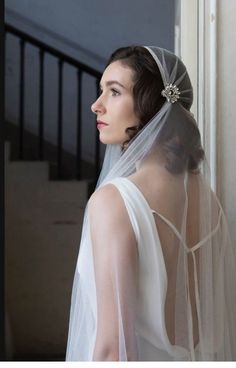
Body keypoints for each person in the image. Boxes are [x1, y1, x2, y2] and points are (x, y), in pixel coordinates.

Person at [66, 46, 236, 361]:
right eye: (101, 91)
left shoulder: (113, 202)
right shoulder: (209, 200)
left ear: (148, 105)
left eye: (113, 92)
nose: (96, 105)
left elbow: (112, 348)